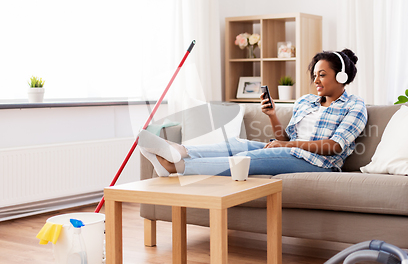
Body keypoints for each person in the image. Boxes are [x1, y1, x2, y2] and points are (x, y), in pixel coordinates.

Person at [138, 49, 368, 177]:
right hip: (293, 152)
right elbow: (284, 140)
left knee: (248, 159)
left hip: (319, 163)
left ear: (341, 77)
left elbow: (335, 146)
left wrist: (287, 146)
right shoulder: (306, 102)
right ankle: (180, 151)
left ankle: (176, 167)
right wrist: (272, 115)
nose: (315, 80)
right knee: (237, 144)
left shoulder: (354, 107)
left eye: (322, 75)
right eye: (315, 74)